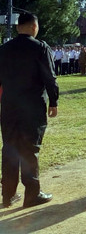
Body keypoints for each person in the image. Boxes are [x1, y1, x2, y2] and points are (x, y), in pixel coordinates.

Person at [0, 12, 58, 208]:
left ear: (18, 27)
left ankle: (7, 195)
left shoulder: (3, 49)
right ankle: (32, 195)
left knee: (9, 148)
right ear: (34, 27)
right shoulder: (40, 48)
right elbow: (50, 77)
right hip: (32, 107)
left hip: (8, 106)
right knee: (29, 150)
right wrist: (54, 101)